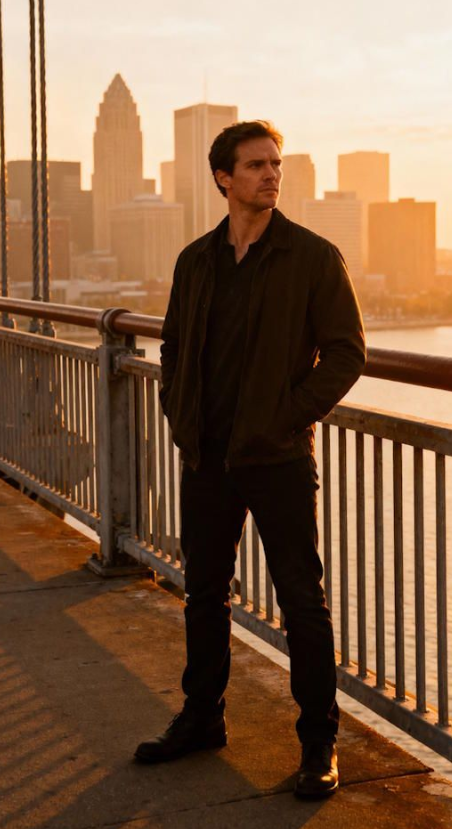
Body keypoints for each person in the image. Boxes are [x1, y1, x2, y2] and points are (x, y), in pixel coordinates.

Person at [134, 120, 366, 799]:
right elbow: (175, 346)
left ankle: (318, 745)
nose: (271, 174)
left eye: (276, 164)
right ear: (223, 178)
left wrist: (287, 416)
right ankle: (202, 716)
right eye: (256, 165)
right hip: (208, 457)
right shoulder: (195, 260)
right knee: (204, 592)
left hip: (278, 459)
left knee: (301, 602)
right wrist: (182, 417)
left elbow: (347, 352)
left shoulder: (313, 257)